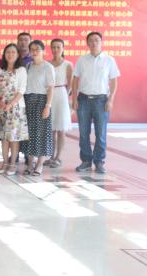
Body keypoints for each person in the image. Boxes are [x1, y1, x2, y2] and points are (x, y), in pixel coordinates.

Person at [72, 31, 120, 174]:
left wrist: (111, 99)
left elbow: (114, 81)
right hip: (83, 100)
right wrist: (74, 99)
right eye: (91, 40)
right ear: (87, 43)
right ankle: (86, 161)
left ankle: (99, 162)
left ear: (101, 42)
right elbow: (75, 80)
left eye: (97, 40)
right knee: (83, 133)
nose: (94, 42)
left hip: (101, 100)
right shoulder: (82, 59)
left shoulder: (109, 60)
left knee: (101, 133)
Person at [0, 44, 29, 176]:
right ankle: (5, 163)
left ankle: (13, 164)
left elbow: (21, 90)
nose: (10, 54)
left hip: (16, 108)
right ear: (4, 54)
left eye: (13, 52)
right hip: (2, 108)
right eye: (8, 52)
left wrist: (11, 104)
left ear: (18, 55)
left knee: (14, 138)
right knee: (4, 138)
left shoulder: (21, 70)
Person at [21, 40, 54, 176]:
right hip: (28, 102)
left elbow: (50, 88)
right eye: (32, 49)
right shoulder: (28, 66)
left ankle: (39, 165)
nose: (34, 52)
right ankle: (30, 164)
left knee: (42, 134)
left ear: (43, 51)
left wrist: (48, 106)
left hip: (42, 102)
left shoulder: (48, 67)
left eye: (37, 49)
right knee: (28, 134)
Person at [48, 39, 72, 169]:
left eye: (58, 47)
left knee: (61, 129)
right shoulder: (47, 64)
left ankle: (58, 157)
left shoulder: (68, 64)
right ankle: (51, 156)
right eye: (53, 47)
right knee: (51, 129)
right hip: (49, 96)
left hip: (61, 95)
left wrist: (65, 96)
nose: (56, 49)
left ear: (63, 48)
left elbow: (70, 84)